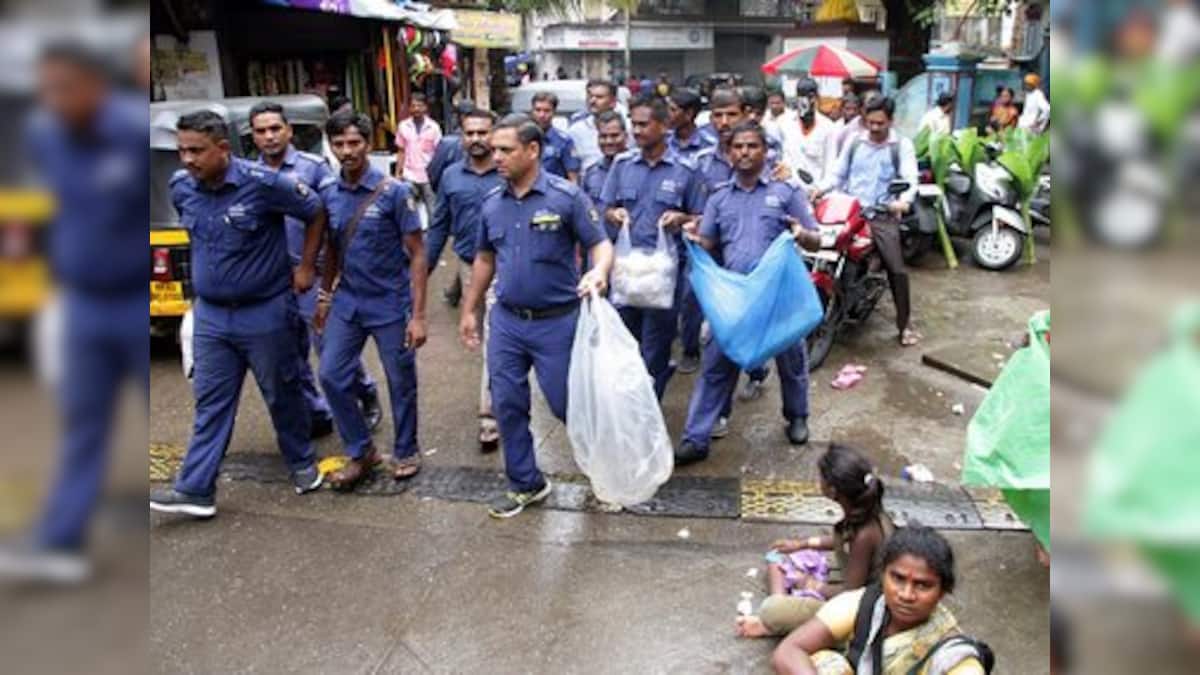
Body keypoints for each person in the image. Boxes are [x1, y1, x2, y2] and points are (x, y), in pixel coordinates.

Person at [0, 42, 148, 581]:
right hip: (84, 305)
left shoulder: (132, 131)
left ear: (94, 85)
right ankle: (61, 540)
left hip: (135, 303)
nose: (54, 99)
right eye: (47, 88)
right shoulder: (45, 136)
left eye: (64, 86)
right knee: (83, 424)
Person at [149, 110, 327, 518]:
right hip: (211, 317)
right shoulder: (182, 188)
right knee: (210, 402)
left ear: (223, 149)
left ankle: (301, 463)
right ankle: (195, 489)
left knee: (282, 393)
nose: (188, 160)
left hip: (264, 313)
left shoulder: (264, 185)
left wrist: (305, 268)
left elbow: (314, 212)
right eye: (181, 151)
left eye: (196, 151)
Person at [458, 114, 614, 519]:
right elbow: (484, 258)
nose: (497, 157)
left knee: (568, 407)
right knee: (506, 405)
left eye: (506, 150)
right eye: (494, 150)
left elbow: (599, 245)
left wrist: (598, 272)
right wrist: (470, 310)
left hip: (558, 323)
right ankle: (526, 483)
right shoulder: (492, 203)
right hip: (507, 322)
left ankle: (604, 474)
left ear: (533, 150)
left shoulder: (566, 197)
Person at [674, 123, 821, 467]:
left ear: (765, 151)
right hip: (737, 298)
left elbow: (816, 237)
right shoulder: (719, 198)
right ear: (729, 153)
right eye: (738, 147)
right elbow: (709, 243)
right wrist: (695, 239)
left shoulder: (786, 193)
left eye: (752, 146)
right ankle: (696, 437)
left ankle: (797, 417)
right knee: (715, 366)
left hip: (779, 297)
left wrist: (801, 234)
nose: (744, 152)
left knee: (792, 362)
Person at [248, 101, 381, 439]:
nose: (269, 137)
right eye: (261, 131)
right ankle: (317, 412)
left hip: (313, 274)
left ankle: (363, 392)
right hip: (272, 278)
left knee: (329, 346)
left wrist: (324, 272)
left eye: (275, 129)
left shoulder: (313, 169)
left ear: (289, 131)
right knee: (290, 352)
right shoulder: (248, 174)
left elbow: (334, 218)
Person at [314, 112, 428, 490]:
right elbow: (331, 250)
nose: (346, 151)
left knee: (400, 380)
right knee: (331, 375)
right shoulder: (328, 194)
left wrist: (419, 315)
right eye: (339, 144)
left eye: (354, 143)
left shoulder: (393, 192)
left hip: (390, 303)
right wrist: (325, 297)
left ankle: (406, 449)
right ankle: (362, 451)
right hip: (347, 303)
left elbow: (417, 253)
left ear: (368, 144)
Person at [770, 525, 988, 675]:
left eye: (922, 585)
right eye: (898, 578)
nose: (906, 594)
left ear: (942, 591)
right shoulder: (864, 605)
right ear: (882, 575)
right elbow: (788, 650)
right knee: (826, 663)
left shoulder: (954, 657)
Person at [600, 94, 705, 400]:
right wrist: (614, 214)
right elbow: (605, 207)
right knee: (626, 342)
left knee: (656, 345)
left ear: (663, 126)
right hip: (627, 270)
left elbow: (699, 217)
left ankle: (650, 406)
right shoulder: (621, 165)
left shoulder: (686, 169)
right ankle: (632, 402)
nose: (637, 130)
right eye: (634, 124)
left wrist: (681, 217)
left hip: (664, 274)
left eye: (644, 124)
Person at [737, 444, 894, 639]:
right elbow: (841, 541)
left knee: (772, 609)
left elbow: (851, 596)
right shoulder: (866, 509)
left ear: (833, 490)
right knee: (782, 558)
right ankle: (784, 607)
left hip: (858, 609)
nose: (817, 480)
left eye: (821, 477)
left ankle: (773, 619)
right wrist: (802, 544)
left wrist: (811, 585)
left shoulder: (865, 535)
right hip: (853, 575)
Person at [425, 109, 505, 453]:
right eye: (469, 133)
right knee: (483, 338)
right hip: (470, 266)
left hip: (509, 267)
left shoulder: (509, 173)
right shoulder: (450, 177)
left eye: (482, 133)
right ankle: (493, 409)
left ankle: (494, 411)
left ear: (494, 134)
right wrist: (421, 273)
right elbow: (439, 225)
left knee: (498, 339)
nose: (475, 139)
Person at [816, 95, 921, 348]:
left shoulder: (901, 146)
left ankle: (904, 324)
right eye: (870, 122)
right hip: (851, 210)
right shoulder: (855, 141)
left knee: (896, 269)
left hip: (881, 214)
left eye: (880, 124)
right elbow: (837, 174)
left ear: (890, 121)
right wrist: (820, 189)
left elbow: (910, 178)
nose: (874, 128)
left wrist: (903, 200)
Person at [394, 91, 442, 222]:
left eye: (420, 106)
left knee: (432, 210)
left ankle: (433, 240)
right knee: (409, 209)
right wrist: (398, 173)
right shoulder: (403, 126)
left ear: (425, 107)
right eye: (413, 106)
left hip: (428, 175)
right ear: (409, 108)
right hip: (409, 174)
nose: (416, 109)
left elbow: (439, 153)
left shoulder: (433, 127)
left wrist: (438, 174)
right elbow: (401, 150)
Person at [780, 78, 836, 188]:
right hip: (790, 191)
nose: (807, 101)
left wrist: (820, 190)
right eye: (802, 96)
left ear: (816, 98)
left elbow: (831, 166)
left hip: (816, 192)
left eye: (810, 97)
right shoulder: (784, 123)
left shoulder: (828, 127)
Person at [567, 79, 625, 170]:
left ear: (613, 102)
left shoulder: (628, 128)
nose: (593, 101)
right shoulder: (576, 131)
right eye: (590, 96)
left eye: (599, 97)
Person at [581, 110, 629, 214]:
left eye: (614, 136)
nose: (609, 141)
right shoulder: (591, 173)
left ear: (626, 136)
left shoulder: (638, 169)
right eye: (603, 136)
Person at [530, 91, 581, 182]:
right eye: (538, 110)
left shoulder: (564, 141)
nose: (542, 115)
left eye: (547, 111)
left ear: (554, 112)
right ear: (532, 111)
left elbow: (573, 178)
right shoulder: (522, 139)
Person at [667, 88, 714, 164]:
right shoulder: (663, 142)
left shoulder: (710, 146)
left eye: (673, 110)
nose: (668, 114)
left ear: (689, 114)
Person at [829, 92, 864, 162]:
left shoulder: (863, 128)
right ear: (842, 109)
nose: (851, 112)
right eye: (848, 109)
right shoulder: (835, 128)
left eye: (855, 109)